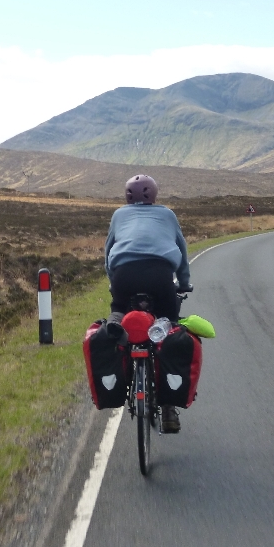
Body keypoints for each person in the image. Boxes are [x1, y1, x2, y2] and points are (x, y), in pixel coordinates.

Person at [104, 174, 191, 433]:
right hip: (160, 276)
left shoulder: (119, 215)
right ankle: (167, 409)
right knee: (168, 329)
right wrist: (184, 281)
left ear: (126, 196)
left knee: (119, 309)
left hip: (124, 275)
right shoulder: (167, 215)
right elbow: (182, 250)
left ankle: (115, 325)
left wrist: (114, 280)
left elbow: (109, 251)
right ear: (153, 194)